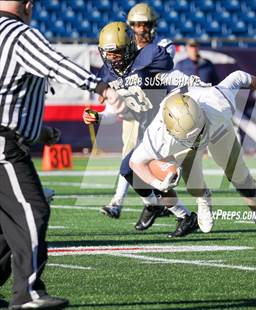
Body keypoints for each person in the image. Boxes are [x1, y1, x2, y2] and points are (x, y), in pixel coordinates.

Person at [0, 0, 126, 309]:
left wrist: (36, 130)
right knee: (33, 210)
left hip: (8, 136)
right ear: (28, 5)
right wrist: (101, 87)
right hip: (3, 145)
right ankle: (27, 293)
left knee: (7, 223)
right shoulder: (19, 34)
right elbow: (55, 63)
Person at [127, 70, 256, 254]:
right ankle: (203, 198)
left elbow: (240, 76)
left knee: (242, 180)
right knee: (191, 183)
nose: (197, 138)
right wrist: (158, 183)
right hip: (182, 141)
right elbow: (135, 163)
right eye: (192, 135)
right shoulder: (158, 137)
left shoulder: (217, 103)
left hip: (216, 129)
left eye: (197, 131)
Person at [84, 21, 204, 237]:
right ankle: (177, 213)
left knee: (146, 172)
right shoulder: (109, 74)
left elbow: (174, 76)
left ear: (129, 47)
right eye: (108, 53)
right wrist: (98, 116)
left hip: (165, 125)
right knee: (129, 171)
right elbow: (114, 110)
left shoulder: (147, 59)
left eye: (117, 52)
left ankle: (184, 214)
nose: (112, 58)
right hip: (146, 130)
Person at [101, 2, 177, 219]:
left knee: (141, 160)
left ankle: (142, 202)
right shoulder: (125, 48)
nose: (140, 29)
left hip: (154, 107)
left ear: (152, 25)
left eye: (144, 24)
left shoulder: (162, 45)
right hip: (132, 106)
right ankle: (147, 202)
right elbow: (116, 71)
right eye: (135, 24)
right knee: (131, 157)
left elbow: (151, 67)